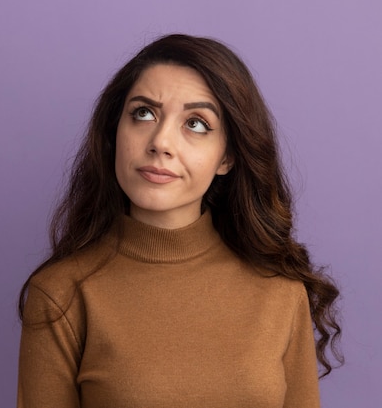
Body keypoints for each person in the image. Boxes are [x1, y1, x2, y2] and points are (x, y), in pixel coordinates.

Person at [17, 34, 342, 408]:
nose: (161, 141)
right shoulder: (61, 295)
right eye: (143, 113)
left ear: (227, 158)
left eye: (197, 124)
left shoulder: (280, 292)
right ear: (114, 134)